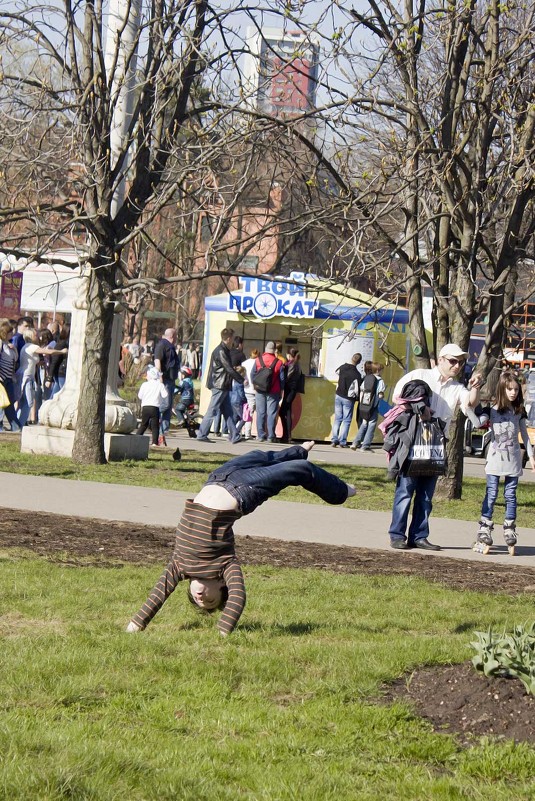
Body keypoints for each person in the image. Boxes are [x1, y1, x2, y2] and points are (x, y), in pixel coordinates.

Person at [126, 442, 356, 636]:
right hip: (244, 490)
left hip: (217, 478)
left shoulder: (179, 565)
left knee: (260, 456)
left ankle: (299, 449)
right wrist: (224, 631)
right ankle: (341, 491)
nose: (200, 597)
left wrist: (135, 625)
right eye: (209, 601)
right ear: (221, 586)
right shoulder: (225, 566)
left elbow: (157, 594)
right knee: (301, 470)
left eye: (198, 600)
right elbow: (238, 598)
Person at [386, 343, 483, 551]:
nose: (457, 366)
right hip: (413, 441)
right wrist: (420, 408)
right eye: (453, 361)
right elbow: (396, 397)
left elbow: (470, 404)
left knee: (426, 495)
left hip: (436, 445)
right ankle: (397, 535)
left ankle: (419, 536)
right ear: (440, 359)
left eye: (460, 362)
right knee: (405, 490)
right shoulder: (419, 375)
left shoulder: (457, 387)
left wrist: (476, 386)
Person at [475, 371, 535, 554]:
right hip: (494, 460)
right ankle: (485, 526)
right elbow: (477, 421)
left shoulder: (519, 411)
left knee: (510, 496)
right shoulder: (491, 410)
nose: (513, 393)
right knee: (491, 493)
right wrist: (472, 398)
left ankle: (509, 528)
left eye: (516, 389)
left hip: (513, 460)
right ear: (502, 389)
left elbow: (524, 435)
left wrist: (532, 457)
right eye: (510, 389)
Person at [196, 328, 244, 444]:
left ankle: (234, 435)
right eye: (232, 338)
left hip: (223, 384)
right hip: (220, 385)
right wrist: (241, 379)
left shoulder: (224, 350)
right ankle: (202, 433)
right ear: (228, 339)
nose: (233, 341)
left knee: (227, 411)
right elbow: (228, 368)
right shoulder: (221, 351)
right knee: (212, 409)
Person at [16, 329, 68, 427]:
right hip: (27, 377)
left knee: (23, 401)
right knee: (28, 402)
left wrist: (40, 363)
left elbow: (30, 361)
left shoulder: (26, 346)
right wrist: (61, 351)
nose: (38, 337)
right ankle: (19, 424)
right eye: (36, 335)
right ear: (31, 336)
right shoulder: (32, 346)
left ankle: (18, 422)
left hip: (25, 376)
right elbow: (47, 351)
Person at [251, 341, 285, 443]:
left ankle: (261, 435)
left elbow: (252, 375)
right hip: (273, 391)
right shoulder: (279, 363)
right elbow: (282, 379)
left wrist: (255, 385)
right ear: (274, 350)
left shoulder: (257, 360)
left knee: (260, 412)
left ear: (265, 349)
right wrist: (281, 390)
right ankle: (271, 436)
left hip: (259, 390)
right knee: (272, 414)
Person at [351, 362, 385, 451]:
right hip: (373, 406)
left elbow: (362, 389)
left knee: (364, 423)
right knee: (372, 424)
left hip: (364, 405)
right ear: (378, 370)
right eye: (381, 369)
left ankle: (355, 442)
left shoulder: (367, 378)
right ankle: (365, 445)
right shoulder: (380, 381)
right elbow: (380, 395)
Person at [154, 328, 180, 445]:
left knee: (168, 407)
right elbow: (157, 360)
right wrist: (159, 376)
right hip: (164, 380)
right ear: (172, 336)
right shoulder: (162, 345)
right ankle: (153, 420)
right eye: (176, 336)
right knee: (165, 405)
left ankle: (163, 433)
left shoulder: (171, 346)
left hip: (171, 380)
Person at [330, 353, 362, 447]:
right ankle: (342, 441)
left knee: (337, 419)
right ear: (359, 362)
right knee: (347, 420)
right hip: (348, 398)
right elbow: (357, 389)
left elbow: (336, 372)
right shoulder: (357, 374)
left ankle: (334, 439)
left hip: (338, 395)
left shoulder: (343, 367)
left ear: (351, 358)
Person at [135, 366, 169, 447]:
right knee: (155, 426)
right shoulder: (160, 385)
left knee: (144, 424)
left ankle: (136, 438)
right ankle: (154, 442)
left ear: (149, 375)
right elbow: (165, 395)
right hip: (155, 407)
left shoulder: (144, 384)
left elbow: (140, 396)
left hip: (145, 407)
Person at [0, 318, 21, 432]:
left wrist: (15, 350)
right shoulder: (0, 343)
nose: (12, 334)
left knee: (9, 403)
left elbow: (16, 359)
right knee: (1, 403)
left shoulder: (9, 344)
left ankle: (15, 426)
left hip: (9, 378)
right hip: (2, 378)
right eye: (9, 332)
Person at [279, 347, 303, 443]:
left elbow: (287, 378)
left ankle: (287, 435)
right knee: (287, 411)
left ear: (289, 355)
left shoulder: (293, 364)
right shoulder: (295, 363)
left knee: (284, 411)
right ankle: (287, 435)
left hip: (290, 389)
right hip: (291, 390)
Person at [47, 324, 70, 398]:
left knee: (55, 394)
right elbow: (54, 360)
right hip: (61, 372)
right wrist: (49, 378)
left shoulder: (64, 343)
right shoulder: (62, 343)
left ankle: (48, 407)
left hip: (61, 372)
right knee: (62, 394)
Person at [241, 348, 259, 440]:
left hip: (247, 389)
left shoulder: (244, 363)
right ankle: (255, 433)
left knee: (248, 412)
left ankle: (246, 432)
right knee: (259, 413)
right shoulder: (259, 363)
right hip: (257, 390)